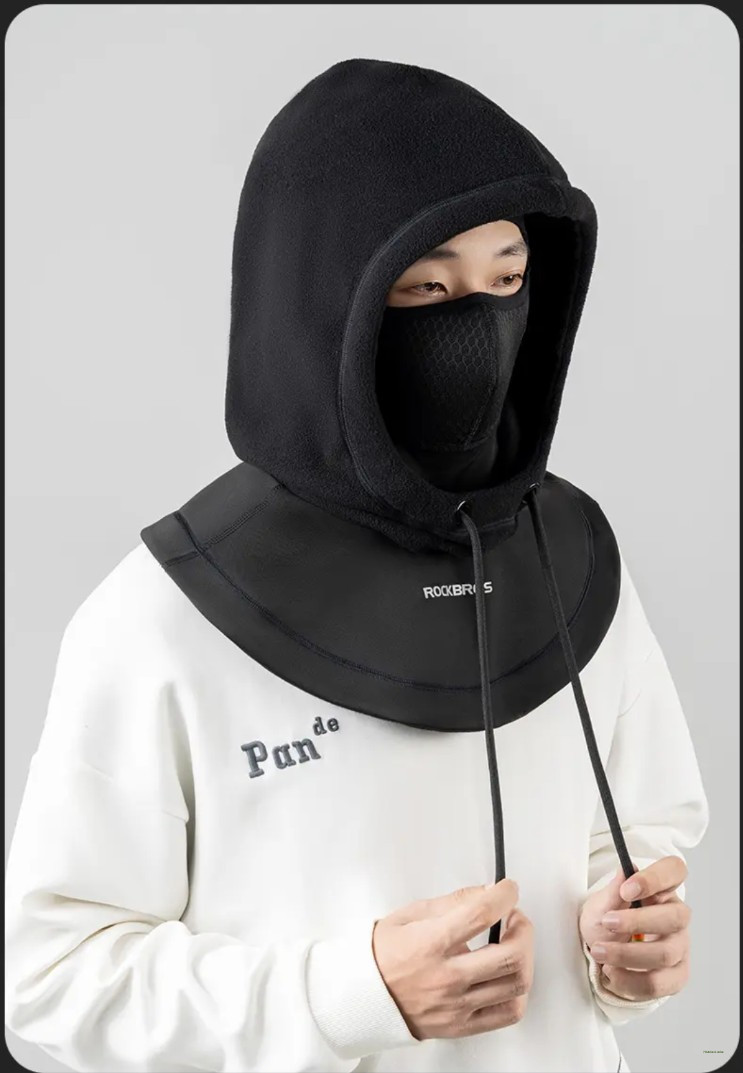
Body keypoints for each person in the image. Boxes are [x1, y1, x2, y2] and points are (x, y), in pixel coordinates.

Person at [5, 57, 709, 1073]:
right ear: (323, 308)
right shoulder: (164, 615)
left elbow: (623, 846)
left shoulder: (574, 556)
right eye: (425, 287)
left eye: (507, 279)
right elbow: (56, 976)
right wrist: (351, 995)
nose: (477, 324)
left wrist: (620, 953)